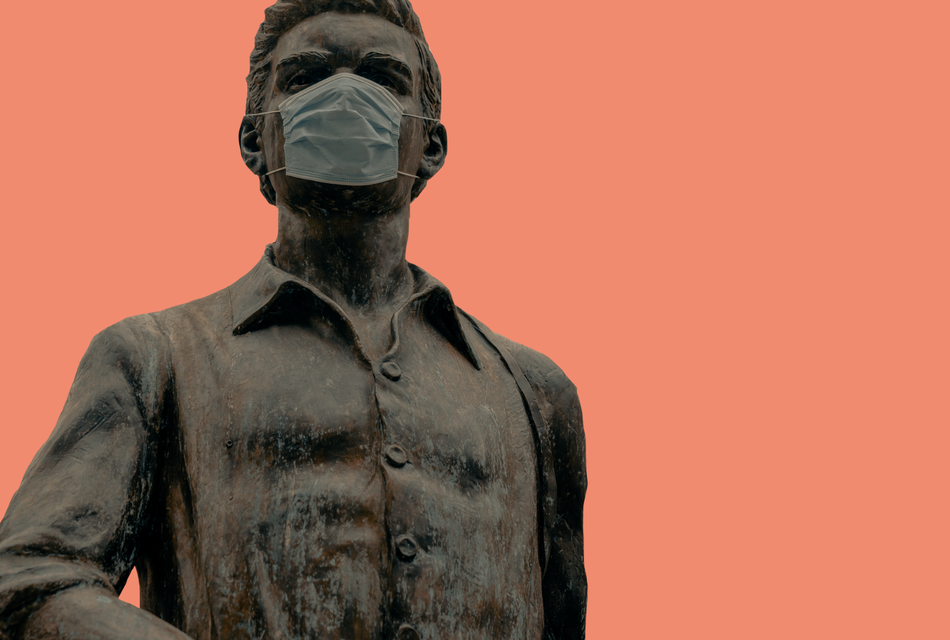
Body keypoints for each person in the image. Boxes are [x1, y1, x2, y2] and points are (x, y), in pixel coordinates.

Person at [0, 1, 587, 638]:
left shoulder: (536, 393)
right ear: (256, 140)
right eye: (305, 77)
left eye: (383, 78)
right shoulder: (152, 358)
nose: (345, 98)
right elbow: (28, 582)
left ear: (432, 146)